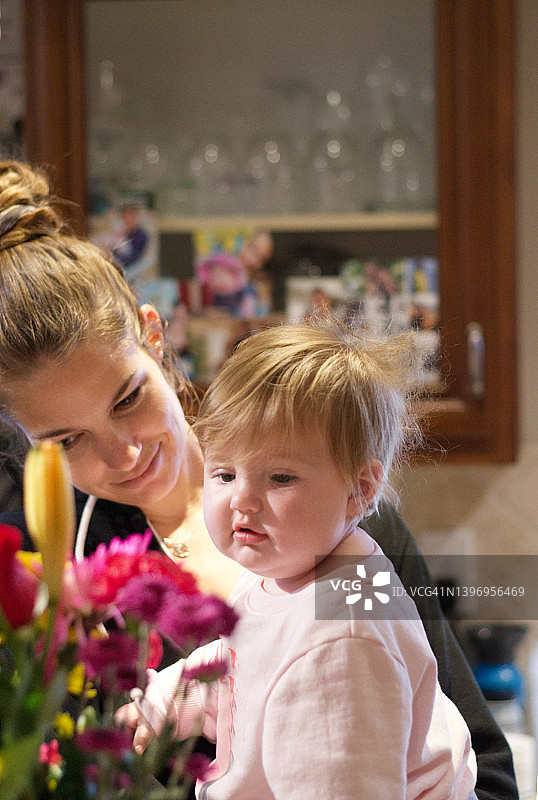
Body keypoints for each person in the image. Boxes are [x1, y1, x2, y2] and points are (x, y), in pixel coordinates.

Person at [0, 160, 518, 800]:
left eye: (128, 398)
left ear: (156, 337)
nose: (126, 451)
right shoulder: (43, 570)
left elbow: (487, 778)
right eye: (68, 440)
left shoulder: (342, 530)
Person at [118, 318, 478, 799]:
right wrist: (164, 700)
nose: (242, 500)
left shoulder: (344, 640)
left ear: (360, 490)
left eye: (280, 478)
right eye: (224, 473)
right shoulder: (288, 570)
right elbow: (236, 660)